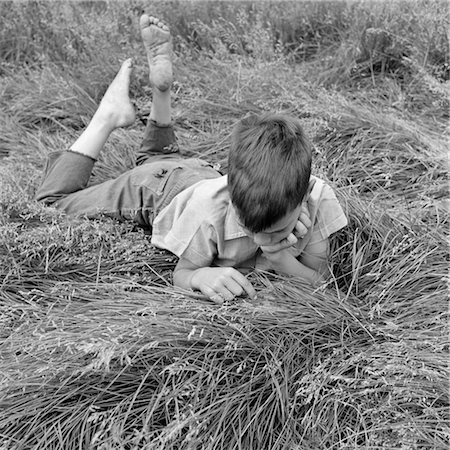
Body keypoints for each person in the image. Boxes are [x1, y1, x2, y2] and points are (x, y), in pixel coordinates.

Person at [36, 15, 348, 303]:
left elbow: (322, 283)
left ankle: (161, 93)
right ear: (232, 195)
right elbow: (181, 275)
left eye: (276, 231)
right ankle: (107, 116)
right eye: (248, 225)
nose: (259, 238)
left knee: (157, 160)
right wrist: (199, 274)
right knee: (53, 203)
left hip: (201, 177)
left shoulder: (318, 200)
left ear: (304, 195)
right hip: (158, 190)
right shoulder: (208, 214)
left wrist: (279, 257)